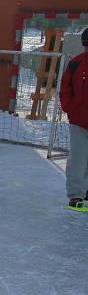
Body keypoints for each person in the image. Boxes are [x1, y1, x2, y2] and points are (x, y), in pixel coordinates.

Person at [60, 27, 88, 212]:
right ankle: (76, 196)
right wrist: (70, 107)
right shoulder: (76, 63)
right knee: (78, 159)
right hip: (79, 121)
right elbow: (65, 89)